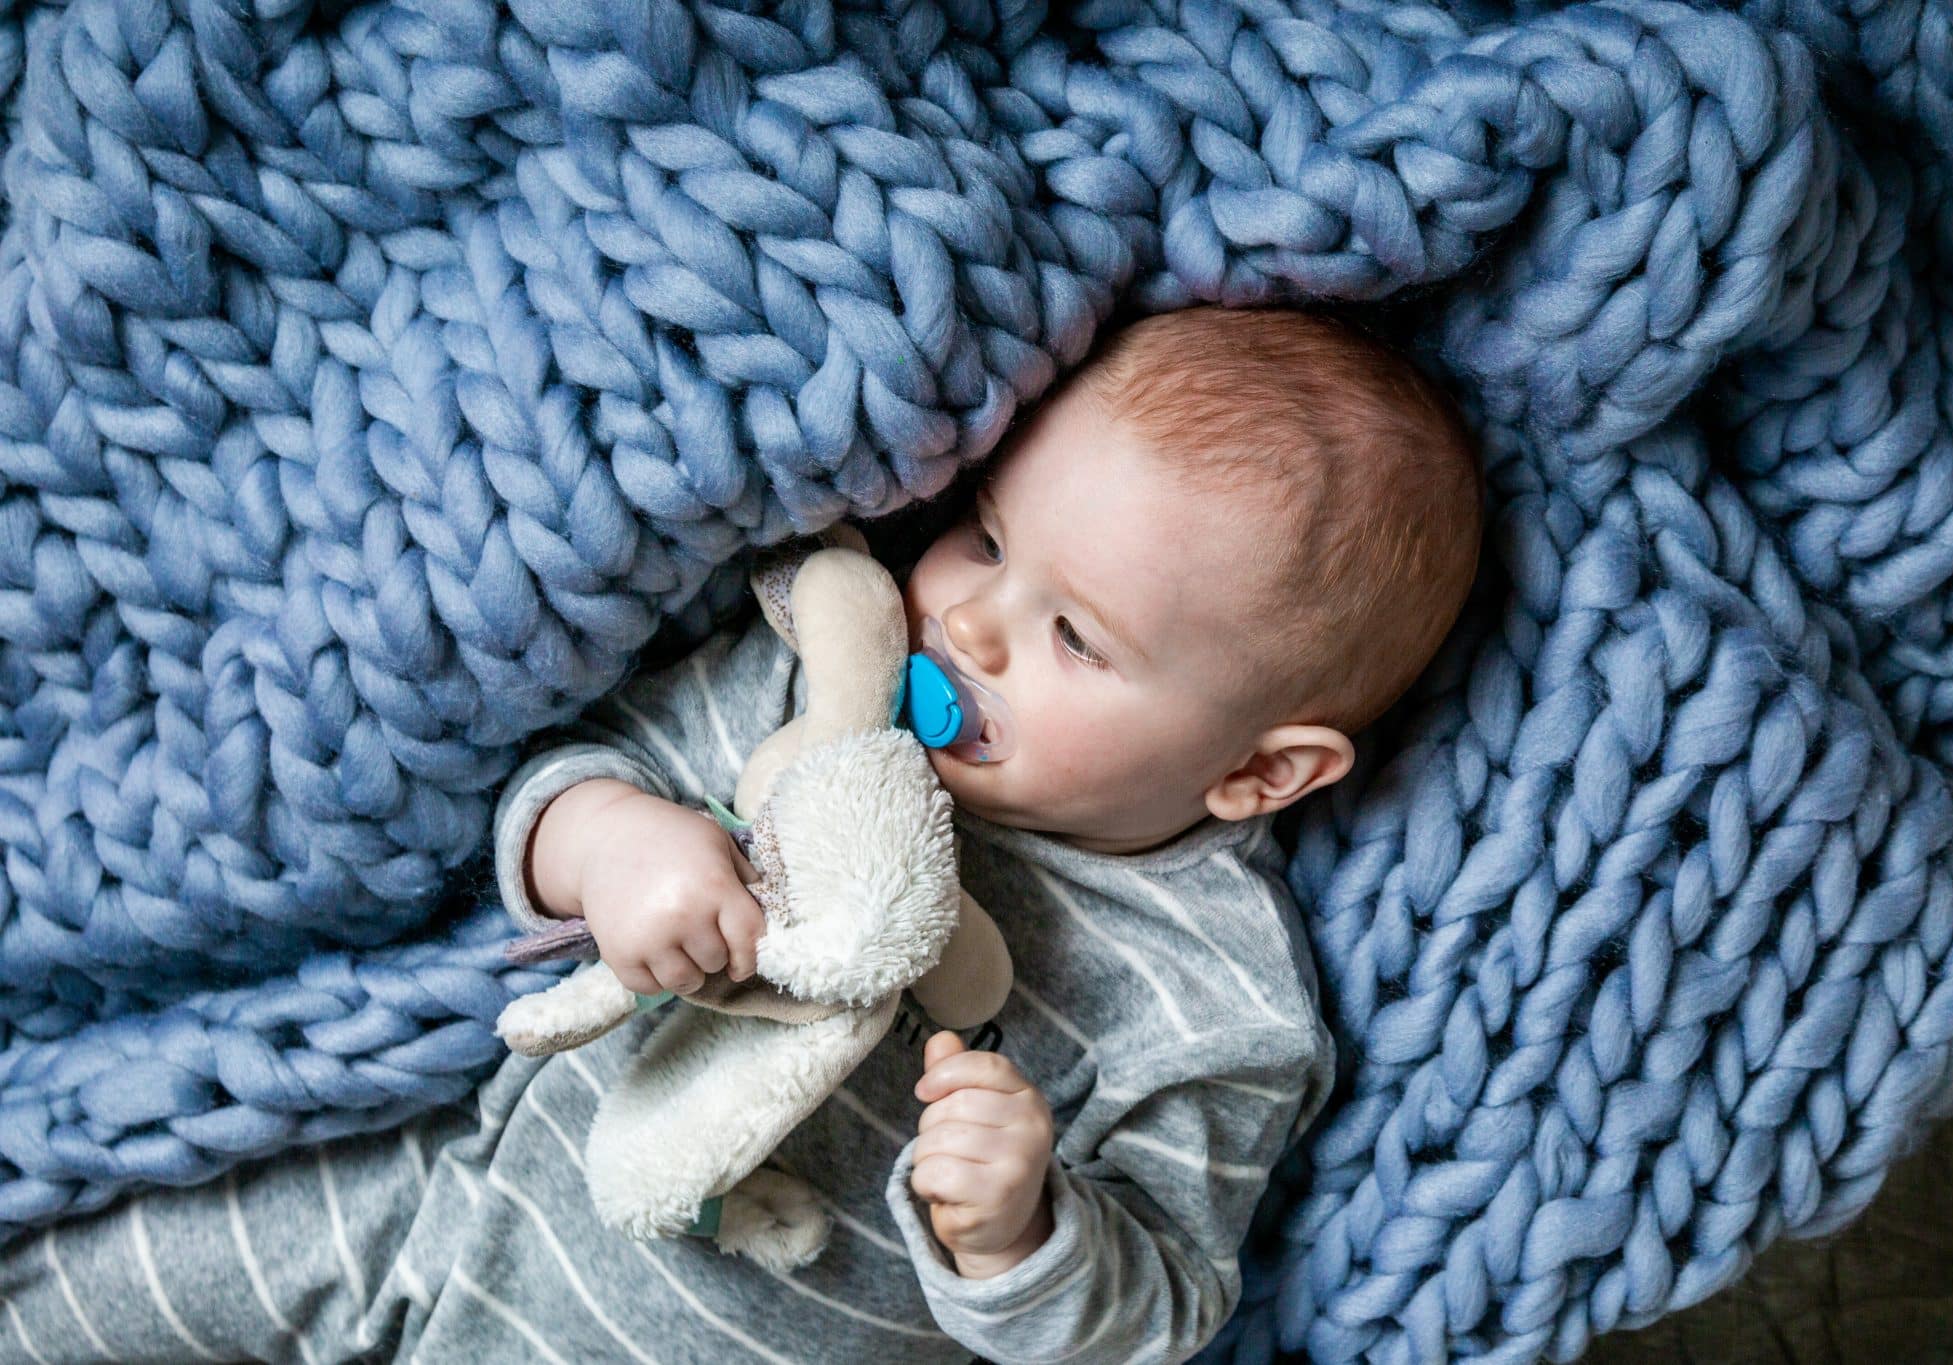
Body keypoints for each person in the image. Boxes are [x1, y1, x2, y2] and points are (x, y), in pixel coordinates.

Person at [0, 306, 1483, 1364]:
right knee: (78, 1285)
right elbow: (560, 783)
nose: (965, 617)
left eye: (1075, 635)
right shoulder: (819, 685)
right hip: (441, 1194)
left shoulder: (1218, 1001)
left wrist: (1024, 1232)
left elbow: (1158, 1313)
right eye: (984, 535)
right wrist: (614, 844)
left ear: (1261, 771)